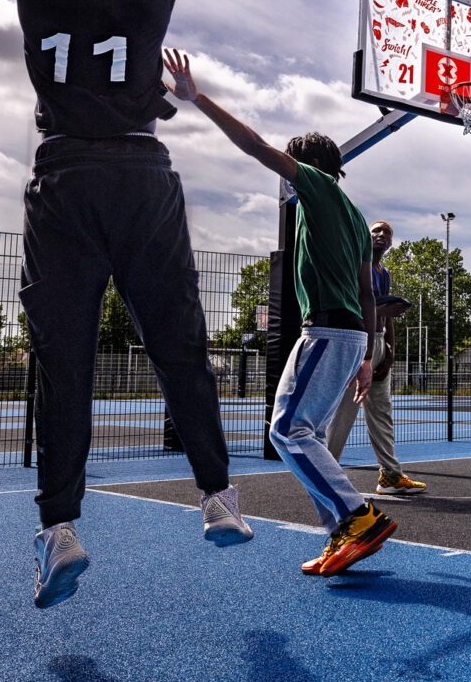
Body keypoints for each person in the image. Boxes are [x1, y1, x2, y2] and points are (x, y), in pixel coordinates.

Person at [12, 0, 251, 610]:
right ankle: (218, 499)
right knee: (179, 342)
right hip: (141, 176)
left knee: (65, 359)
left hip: (67, 176)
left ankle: (61, 531)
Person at [160, 48, 397, 577]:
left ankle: (358, 517)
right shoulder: (358, 220)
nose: (287, 181)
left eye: (292, 171)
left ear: (308, 167)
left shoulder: (317, 186)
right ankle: (344, 530)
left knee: (289, 431)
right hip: (351, 335)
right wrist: (367, 354)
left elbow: (254, 145)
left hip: (330, 331)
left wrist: (198, 99)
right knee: (298, 433)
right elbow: (368, 290)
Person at [327, 221, 427, 495]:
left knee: (381, 412)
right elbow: (355, 304)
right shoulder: (355, 266)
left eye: (388, 233)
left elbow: (385, 315)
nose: (382, 235)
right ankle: (325, 474)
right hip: (357, 342)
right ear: (365, 237)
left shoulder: (384, 272)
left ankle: (390, 476)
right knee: (345, 412)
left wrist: (390, 350)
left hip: (379, 342)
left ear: (391, 243)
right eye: (377, 231)